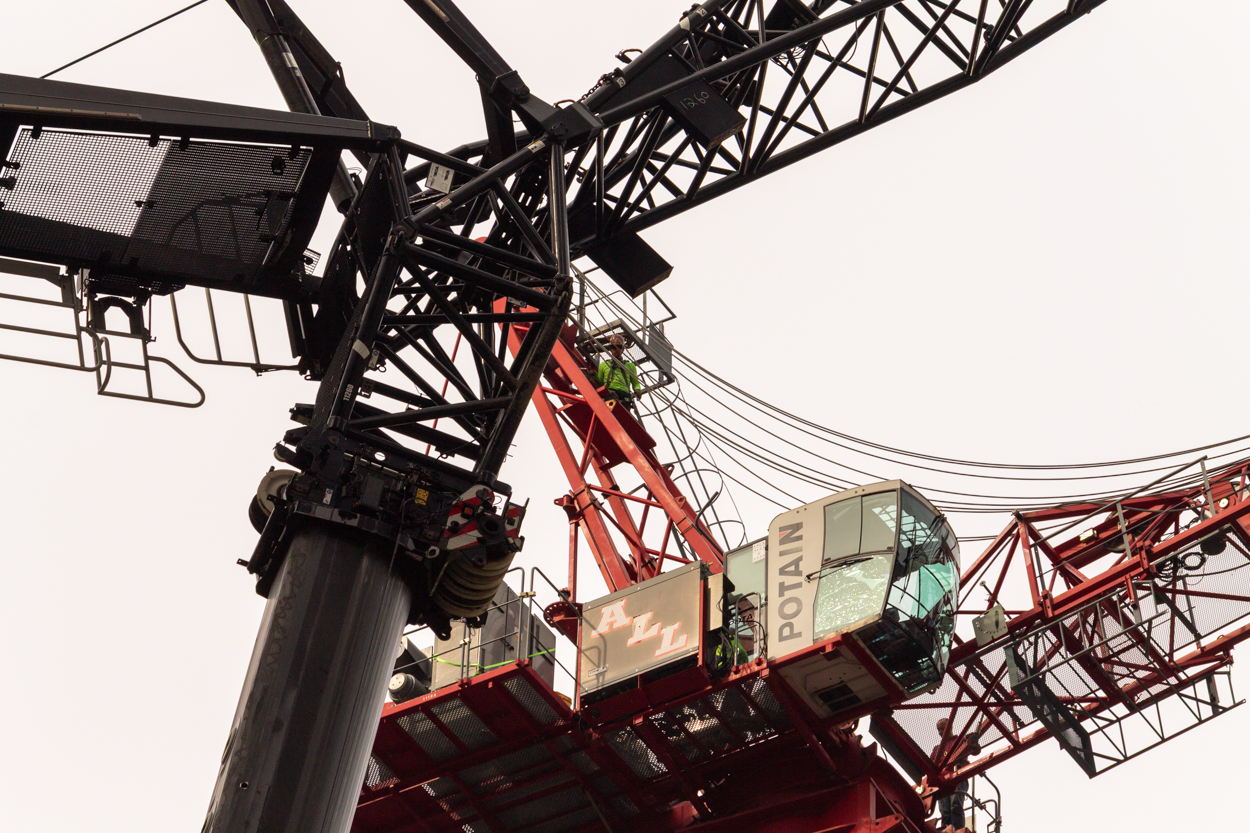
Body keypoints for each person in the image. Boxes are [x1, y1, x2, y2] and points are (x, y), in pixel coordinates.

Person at [932, 717, 971, 832]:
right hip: (942, 782)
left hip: (957, 777)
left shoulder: (959, 741)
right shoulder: (936, 749)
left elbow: (969, 746)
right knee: (945, 811)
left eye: (942, 729)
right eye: (938, 729)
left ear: (950, 728)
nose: (940, 732)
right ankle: (947, 830)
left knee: (955, 805)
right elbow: (930, 765)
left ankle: (958, 829)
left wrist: (969, 739)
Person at [596, 335, 642, 408]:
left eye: (619, 347)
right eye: (614, 347)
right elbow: (600, 383)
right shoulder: (604, 365)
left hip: (625, 395)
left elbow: (635, 382)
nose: (616, 350)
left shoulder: (630, 366)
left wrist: (637, 390)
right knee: (612, 398)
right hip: (610, 393)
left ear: (622, 349)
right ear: (610, 349)